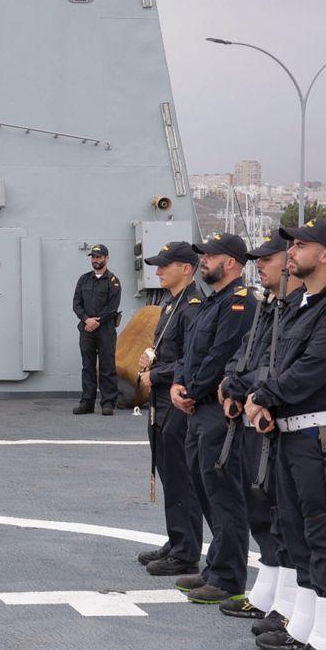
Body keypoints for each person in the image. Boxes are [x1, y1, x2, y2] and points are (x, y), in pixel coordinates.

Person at [246, 217, 326, 650]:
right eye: (291, 245)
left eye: (301, 245)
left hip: (322, 437)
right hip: (291, 432)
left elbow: (311, 369)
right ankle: (305, 624)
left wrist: (263, 397)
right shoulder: (304, 304)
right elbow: (280, 362)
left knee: (323, 530)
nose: (291, 251)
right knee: (295, 528)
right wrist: (266, 401)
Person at [217, 230, 303, 626]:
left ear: (287, 262)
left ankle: (288, 603)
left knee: (281, 513)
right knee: (259, 510)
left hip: (278, 422)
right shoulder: (270, 305)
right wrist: (230, 385)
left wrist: (246, 389)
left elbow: (280, 364)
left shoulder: (297, 308)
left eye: (267, 259)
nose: (260, 266)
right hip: (252, 417)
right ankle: (266, 591)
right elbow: (246, 352)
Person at [170, 233, 256, 606]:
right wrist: (177, 383)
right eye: (203, 254)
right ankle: (214, 567)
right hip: (197, 409)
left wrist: (191, 391)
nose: (203, 260)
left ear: (233, 263)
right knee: (205, 491)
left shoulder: (238, 303)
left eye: (211, 255)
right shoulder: (210, 302)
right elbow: (190, 352)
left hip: (217, 412)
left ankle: (227, 577)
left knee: (225, 497)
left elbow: (221, 355)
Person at [136, 241, 204, 578]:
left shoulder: (192, 306)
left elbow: (190, 358)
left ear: (186, 269)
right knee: (169, 475)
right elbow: (168, 349)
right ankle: (176, 539)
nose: (159, 270)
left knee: (181, 477)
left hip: (177, 401)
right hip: (162, 401)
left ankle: (187, 551)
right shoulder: (171, 304)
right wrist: (150, 358)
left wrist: (156, 373)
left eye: (166, 265)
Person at [72, 244, 121, 415]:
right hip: (86, 329)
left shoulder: (113, 281)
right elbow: (76, 304)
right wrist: (86, 319)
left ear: (107, 258)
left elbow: (112, 307)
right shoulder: (83, 280)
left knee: (107, 366)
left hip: (105, 329)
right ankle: (87, 402)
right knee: (88, 366)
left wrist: (96, 321)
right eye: (93, 257)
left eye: (99, 257)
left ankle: (108, 403)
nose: (95, 260)